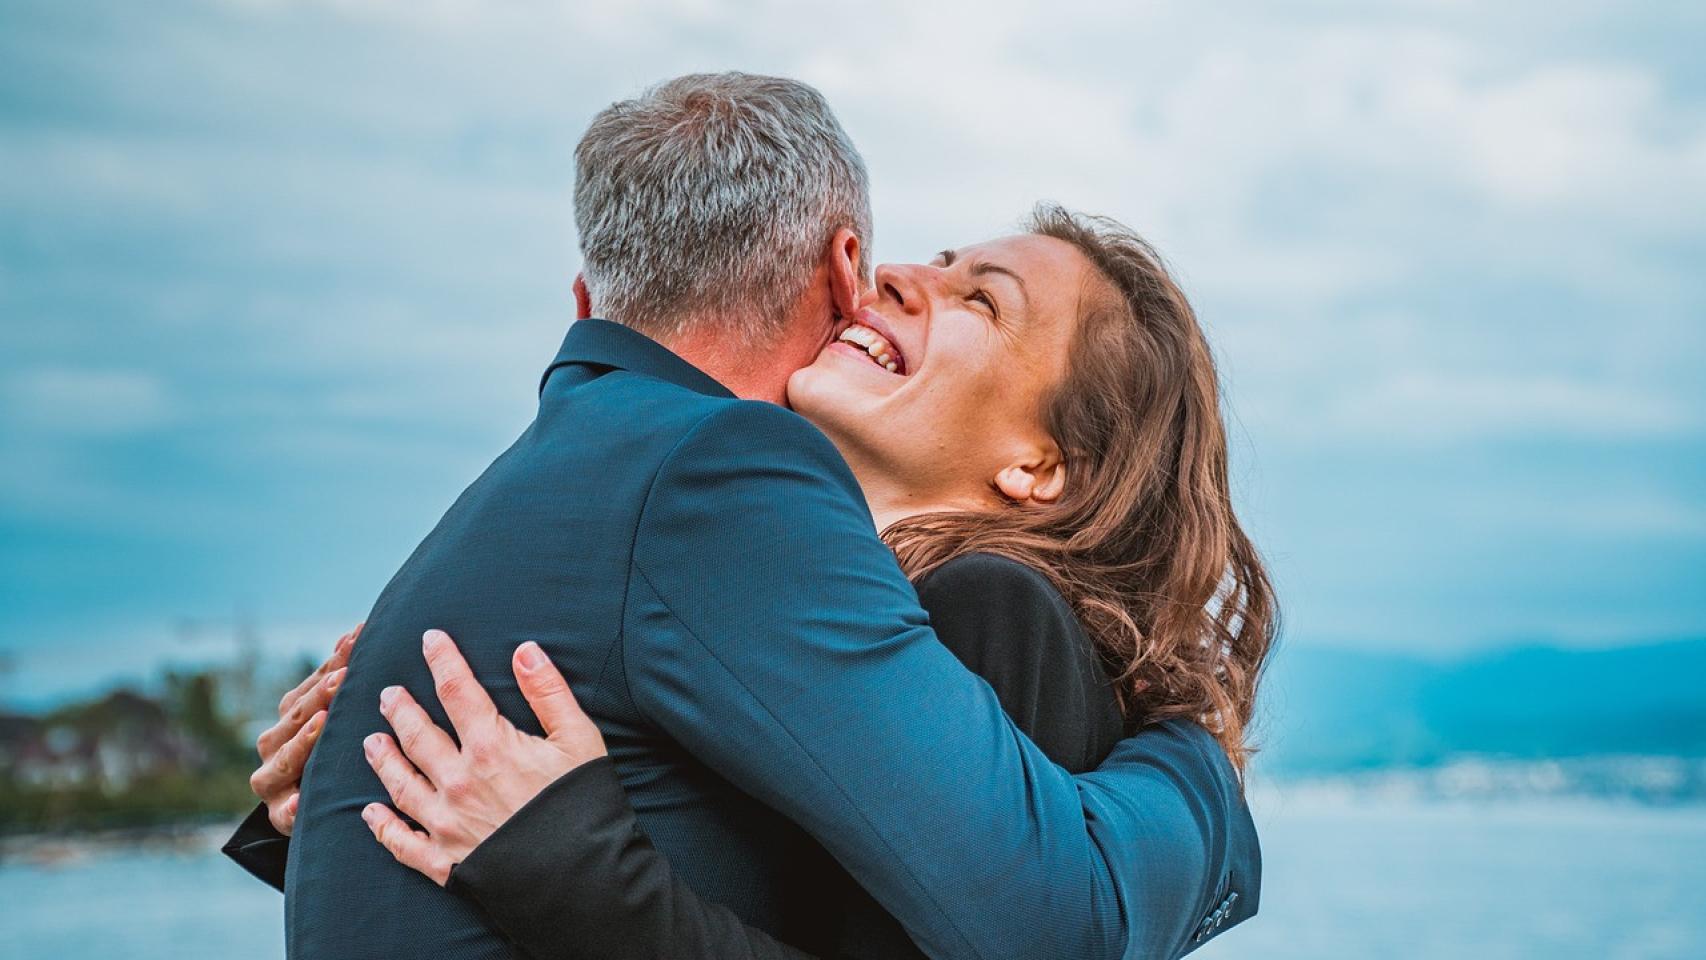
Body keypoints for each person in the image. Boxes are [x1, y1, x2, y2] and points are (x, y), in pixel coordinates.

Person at [225, 73, 1268, 960]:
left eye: (980, 300)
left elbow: (1047, 926)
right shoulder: (754, 575)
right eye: (933, 260)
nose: (900, 284)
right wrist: (346, 800)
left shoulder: (987, 610)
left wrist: (1200, 777)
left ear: (1042, 464)